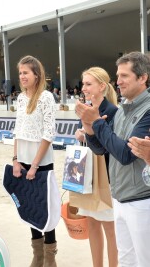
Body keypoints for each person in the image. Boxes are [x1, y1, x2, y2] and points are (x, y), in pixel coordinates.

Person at [75, 52, 150, 266]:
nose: (118, 81)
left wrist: (96, 123)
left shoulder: (147, 110)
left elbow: (126, 154)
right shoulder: (123, 110)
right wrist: (90, 129)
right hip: (120, 197)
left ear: (142, 77)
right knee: (126, 260)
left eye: (124, 76)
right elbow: (102, 149)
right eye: (118, 75)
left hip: (141, 200)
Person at [12, 55, 57, 267]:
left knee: (44, 209)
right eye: (20, 73)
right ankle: (37, 256)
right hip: (22, 162)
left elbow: (49, 133)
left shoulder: (46, 97)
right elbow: (17, 131)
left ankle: (50, 257)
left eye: (26, 73)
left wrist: (35, 165)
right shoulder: (20, 99)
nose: (22, 76)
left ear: (36, 75)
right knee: (30, 207)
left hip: (42, 163)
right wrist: (16, 160)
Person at [74, 67, 118, 267]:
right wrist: (82, 135)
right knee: (91, 223)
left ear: (102, 86)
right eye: (83, 84)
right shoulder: (85, 109)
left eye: (88, 84)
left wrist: (89, 134)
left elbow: (110, 147)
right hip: (87, 175)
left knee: (110, 229)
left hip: (106, 177)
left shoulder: (113, 112)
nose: (84, 88)